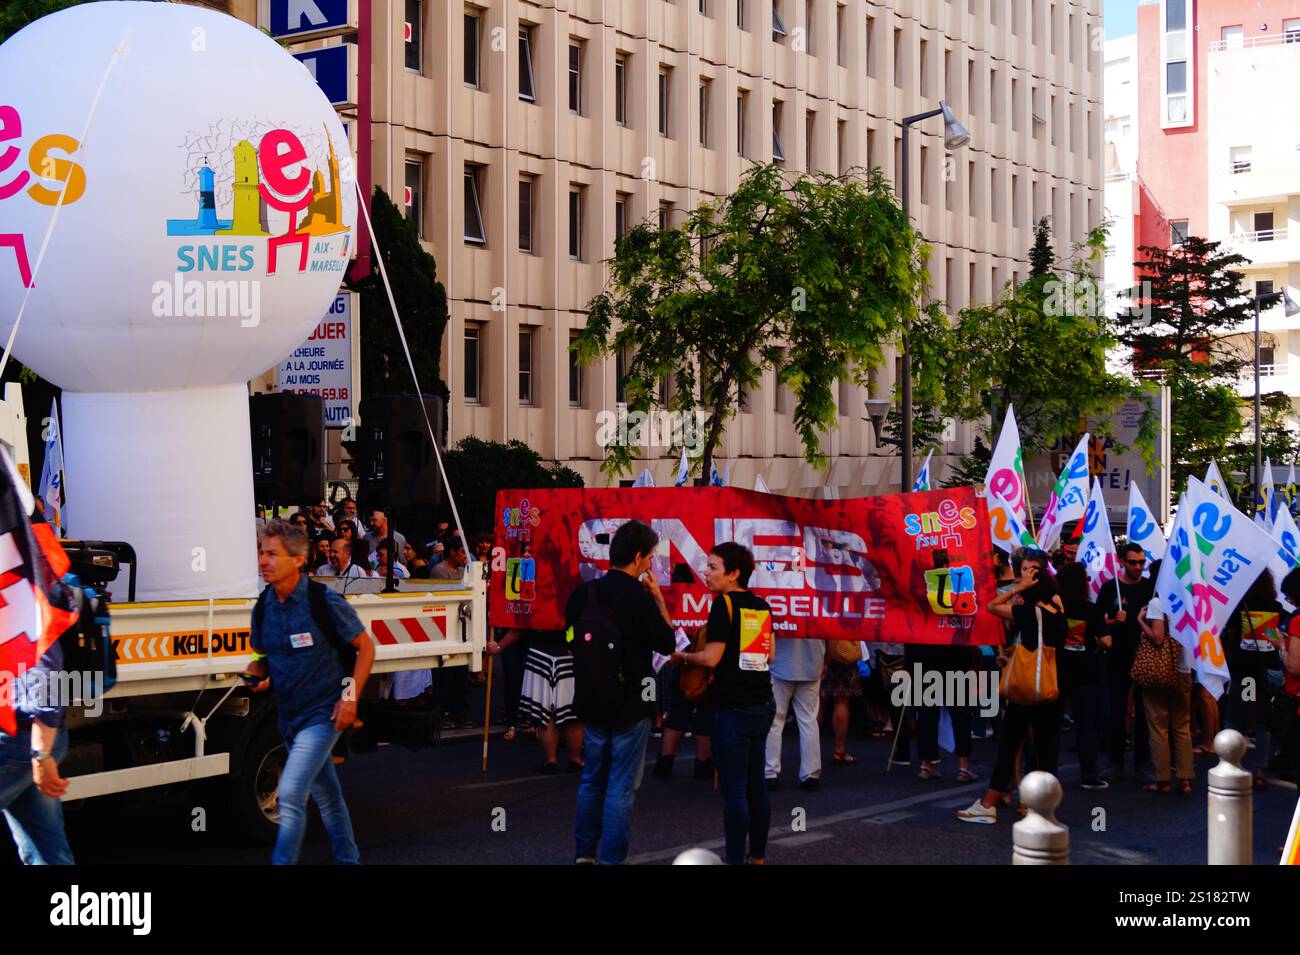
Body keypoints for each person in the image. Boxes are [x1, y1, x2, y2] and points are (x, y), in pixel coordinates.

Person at [247, 519, 375, 864]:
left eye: (272, 553)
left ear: (299, 559)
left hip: (323, 715)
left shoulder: (323, 601)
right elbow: (261, 655)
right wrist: (257, 671)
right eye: (261, 552)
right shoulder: (262, 608)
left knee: (290, 794)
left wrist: (350, 698)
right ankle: (349, 860)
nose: (262, 560)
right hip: (287, 718)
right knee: (329, 798)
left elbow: (366, 648)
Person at [568, 520, 675, 865]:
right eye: (650, 557)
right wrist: (659, 599)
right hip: (634, 698)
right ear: (639, 557)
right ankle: (612, 859)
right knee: (621, 785)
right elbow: (668, 643)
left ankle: (585, 854)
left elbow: (569, 638)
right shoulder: (639, 599)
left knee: (591, 779)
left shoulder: (585, 593)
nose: (650, 563)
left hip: (590, 696)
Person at [672, 543, 775, 864]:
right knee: (756, 786)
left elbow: (712, 657)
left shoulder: (723, 606)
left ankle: (733, 859)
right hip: (761, 703)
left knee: (734, 792)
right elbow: (769, 656)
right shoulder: (760, 605)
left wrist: (683, 657)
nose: (705, 572)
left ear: (733, 574)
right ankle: (757, 857)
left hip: (732, 707)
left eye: (713, 567)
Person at [958, 550, 1066, 824]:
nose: (1024, 573)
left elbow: (993, 607)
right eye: (1023, 569)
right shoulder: (1056, 609)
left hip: (1026, 688)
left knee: (1010, 745)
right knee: (1045, 748)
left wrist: (1019, 588)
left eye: (1030, 570)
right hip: (1048, 686)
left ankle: (988, 804)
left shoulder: (1031, 612)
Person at [0, 638, 75, 864]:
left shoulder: (31, 606)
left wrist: (40, 753)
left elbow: (46, 674)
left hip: (18, 740)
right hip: (26, 741)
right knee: (46, 849)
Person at [1097, 541, 1155, 782]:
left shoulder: (1151, 588)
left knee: (1143, 712)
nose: (1138, 567)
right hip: (1117, 656)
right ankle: (1116, 760)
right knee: (1117, 710)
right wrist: (1113, 621)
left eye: (1142, 562)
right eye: (1133, 562)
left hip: (1143, 655)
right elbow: (1097, 623)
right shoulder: (1111, 588)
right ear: (1122, 562)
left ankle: (1142, 763)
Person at [1222, 569, 1283, 789]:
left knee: (1238, 716)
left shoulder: (1239, 607)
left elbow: (1228, 631)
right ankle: (1260, 769)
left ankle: (1233, 763)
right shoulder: (1276, 609)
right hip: (1267, 671)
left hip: (1245, 672)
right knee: (1263, 721)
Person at [1137, 562, 1195, 794]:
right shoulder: (1190, 598)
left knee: (1159, 726)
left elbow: (1158, 638)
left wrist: (1141, 621)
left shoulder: (1157, 602)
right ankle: (1186, 779)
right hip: (1184, 669)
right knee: (1182, 726)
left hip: (1160, 672)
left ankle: (1162, 779)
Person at [491, 628, 583, 773]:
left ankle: (551, 760)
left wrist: (498, 646)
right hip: (569, 652)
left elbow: (520, 626)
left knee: (544, 711)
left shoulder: (534, 603)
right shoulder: (574, 604)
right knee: (573, 712)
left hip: (540, 651)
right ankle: (575, 759)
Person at [1057, 562, 1111, 789]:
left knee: (1050, 726)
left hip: (1058, 670)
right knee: (1085, 726)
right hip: (1086, 672)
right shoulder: (1091, 610)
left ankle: (1045, 773)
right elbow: (1107, 641)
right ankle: (1089, 774)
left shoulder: (1055, 608)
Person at [764, 634, 824, 791]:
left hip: (780, 662)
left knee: (774, 721)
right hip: (812, 662)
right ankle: (811, 774)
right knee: (808, 720)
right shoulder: (819, 607)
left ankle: (770, 773)